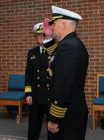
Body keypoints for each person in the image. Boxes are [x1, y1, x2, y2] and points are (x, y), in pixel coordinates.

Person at [47, 5, 89, 140]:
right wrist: (48, 37)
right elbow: (55, 58)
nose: (51, 27)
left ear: (63, 24)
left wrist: (54, 118)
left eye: (54, 23)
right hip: (73, 112)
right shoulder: (71, 44)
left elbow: (63, 86)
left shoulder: (68, 47)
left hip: (67, 116)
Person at [25, 20, 58, 140]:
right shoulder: (31, 52)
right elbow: (28, 74)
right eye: (38, 35)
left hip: (50, 95)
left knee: (52, 126)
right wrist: (28, 93)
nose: (40, 37)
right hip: (36, 95)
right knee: (33, 124)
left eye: (43, 34)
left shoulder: (55, 51)